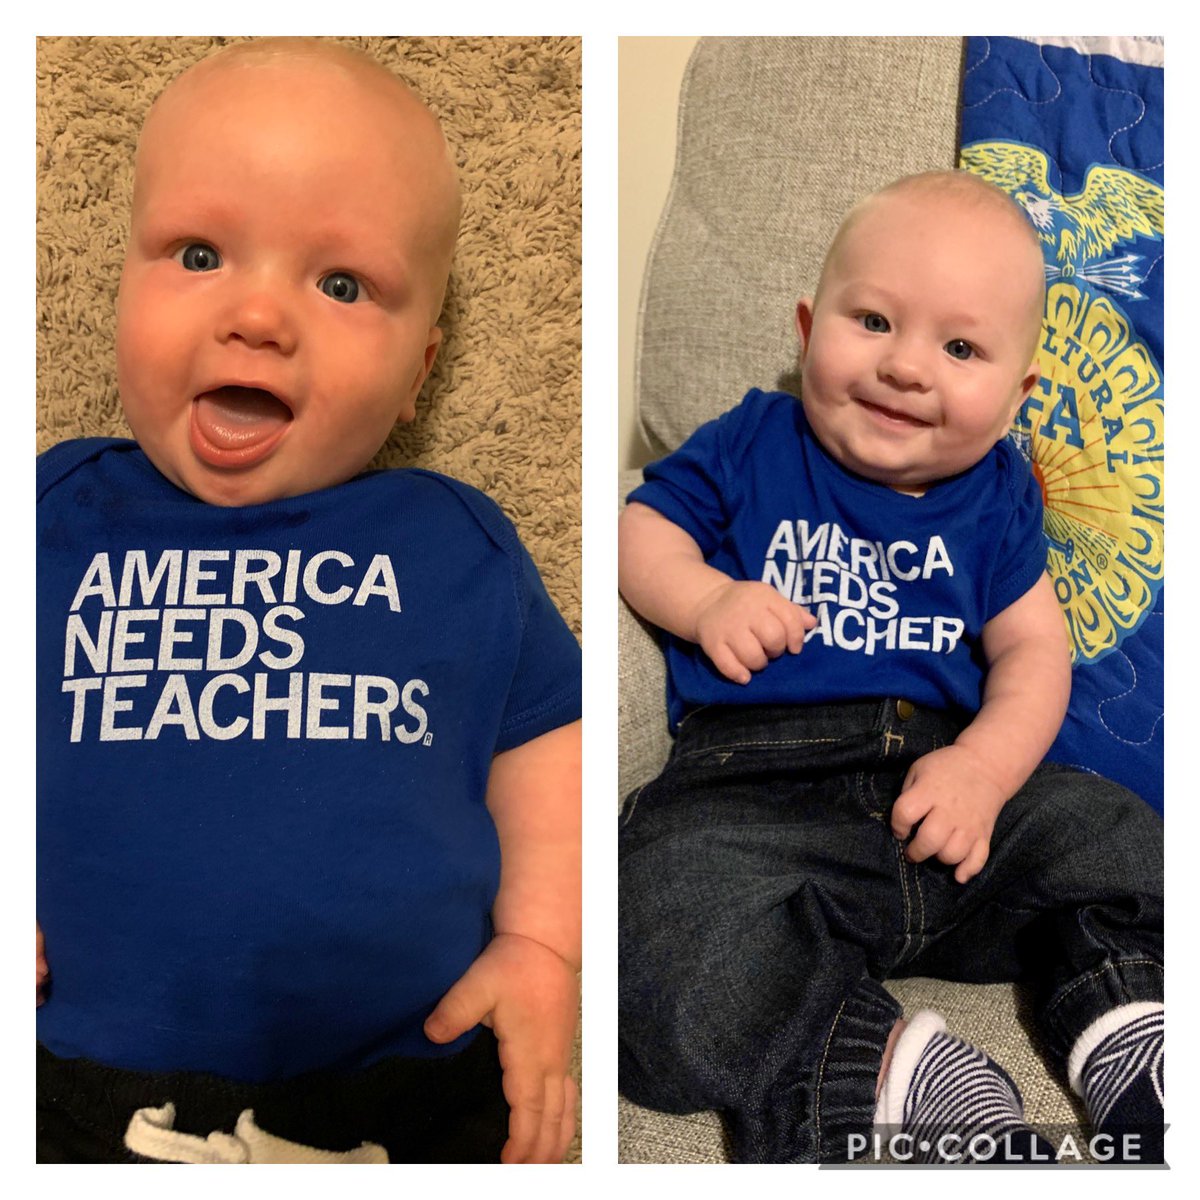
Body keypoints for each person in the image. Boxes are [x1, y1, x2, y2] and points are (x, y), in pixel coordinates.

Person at [37, 38, 581, 1165]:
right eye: (198, 253)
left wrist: (542, 946)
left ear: (419, 371)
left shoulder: (454, 539)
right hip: (60, 1060)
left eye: (341, 285)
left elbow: (545, 749)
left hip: (401, 1078)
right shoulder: (53, 511)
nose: (258, 318)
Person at [617, 170, 1164, 1164]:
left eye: (959, 348)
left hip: (955, 803)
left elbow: (1034, 649)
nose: (908, 367)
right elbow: (640, 525)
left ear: (1015, 395)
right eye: (872, 320)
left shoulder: (999, 496)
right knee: (655, 931)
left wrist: (989, 772)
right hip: (757, 801)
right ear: (806, 324)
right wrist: (706, 600)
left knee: (1122, 838)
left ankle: (1127, 1026)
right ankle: (883, 1071)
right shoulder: (755, 440)